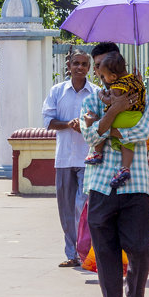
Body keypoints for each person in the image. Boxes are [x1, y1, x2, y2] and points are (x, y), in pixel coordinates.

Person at [80, 76, 149, 297]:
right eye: (99, 69)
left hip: (136, 184)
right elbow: (88, 134)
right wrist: (115, 112)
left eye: (111, 70)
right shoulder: (92, 99)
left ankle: (135, 291)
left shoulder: (140, 97)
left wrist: (106, 125)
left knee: (141, 249)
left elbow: (144, 132)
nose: (105, 76)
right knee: (106, 256)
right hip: (99, 185)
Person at [41, 48, 98, 268]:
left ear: (89, 68)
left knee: (83, 207)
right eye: (76, 63)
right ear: (69, 66)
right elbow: (48, 121)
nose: (80, 68)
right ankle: (71, 253)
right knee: (65, 208)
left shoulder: (96, 93)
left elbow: (102, 121)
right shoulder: (57, 91)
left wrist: (85, 124)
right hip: (64, 158)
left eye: (84, 64)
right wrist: (69, 124)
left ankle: (86, 253)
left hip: (88, 158)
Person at [86, 51, 146, 189]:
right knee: (128, 144)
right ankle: (125, 168)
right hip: (135, 117)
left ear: (113, 76)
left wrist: (102, 96)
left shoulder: (117, 85)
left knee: (100, 125)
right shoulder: (136, 79)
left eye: (104, 76)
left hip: (122, 117)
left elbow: (113, 102)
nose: (103, 79)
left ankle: (97, 153)